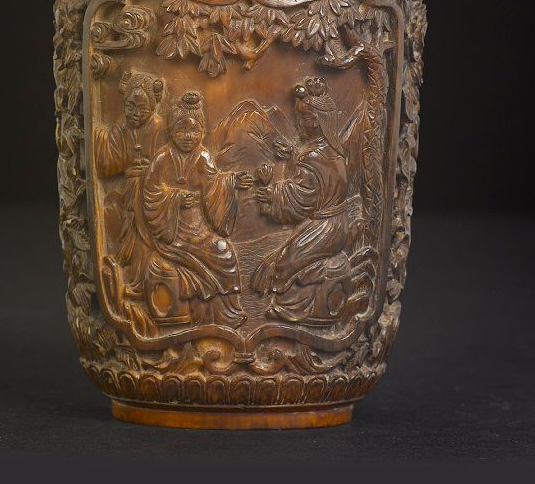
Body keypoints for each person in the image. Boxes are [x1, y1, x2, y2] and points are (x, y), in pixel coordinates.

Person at [143, 91, 253, 327]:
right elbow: (150, 193)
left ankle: (227, 314)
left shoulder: (203, 156)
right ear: (170, 131)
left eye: (194, 131)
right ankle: (201, 317)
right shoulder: (161, 159)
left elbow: (214, 184)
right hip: (173, 230)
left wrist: (232, 182)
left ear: (202, 132)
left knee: (224, 252)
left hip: (198, 228)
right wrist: (174, 198)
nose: (188, 137)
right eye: (181, 130)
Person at [251, 77, 351, 324]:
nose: (300, 125)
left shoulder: (314, 156)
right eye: (299, 119)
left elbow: (303, 200)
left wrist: (272, 193)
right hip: (334, 223)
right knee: (284, 256)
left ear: (320, 122)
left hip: (325, 228)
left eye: (305, 120)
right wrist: (293, 155)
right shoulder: (332, 151)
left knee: (286, 263)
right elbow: (313, 174)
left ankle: (291, 310)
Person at [94, 69, 165, 291]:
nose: (135, 113)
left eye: (142, 108)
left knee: (149, 235)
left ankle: (149, 277)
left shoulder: (158, 127)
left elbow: (166, 165)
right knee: (132, 231)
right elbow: (109, 164)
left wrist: (149, 170)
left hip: (153, 196)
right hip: (130, 193)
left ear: (152, 107)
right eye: (130, 107)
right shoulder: (121, 126)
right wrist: (98, 138)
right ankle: (134, 275)